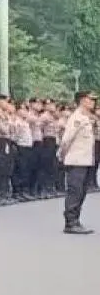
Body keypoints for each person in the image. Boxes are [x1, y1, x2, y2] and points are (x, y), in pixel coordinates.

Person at [57, 91, 96, 235]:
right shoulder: (77, 118)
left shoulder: (86, 118)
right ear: (82, 101)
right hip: (76, 160)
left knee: (82, 192)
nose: (93, 102)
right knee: (75, 191)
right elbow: (67, 139)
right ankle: (70, 222)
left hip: (85, 160)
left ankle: (76, 220)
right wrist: (62, 155)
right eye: (90, 99)